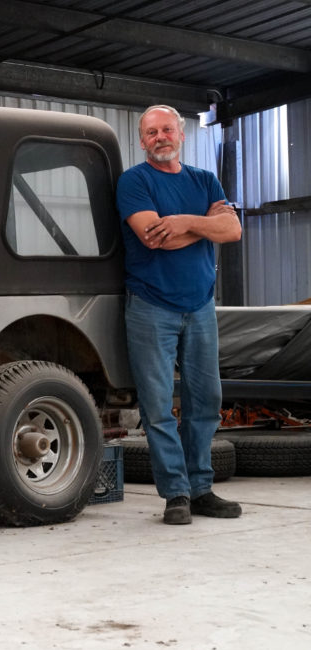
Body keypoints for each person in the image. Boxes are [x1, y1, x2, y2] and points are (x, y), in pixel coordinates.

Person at [116, 105, 243, 525]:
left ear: (182, 134)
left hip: (201, 305)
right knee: (157, 408)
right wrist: (207, 223)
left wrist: (186, 221)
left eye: (167, 129)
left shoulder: (204, 179)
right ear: (142, 140)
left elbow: (233, 230)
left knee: (205, 401)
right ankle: (176, 495)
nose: (160, 137)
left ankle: (201, 488)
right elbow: (156, 238)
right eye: (151, 132)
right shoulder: (134, 182)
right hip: (151, 306)